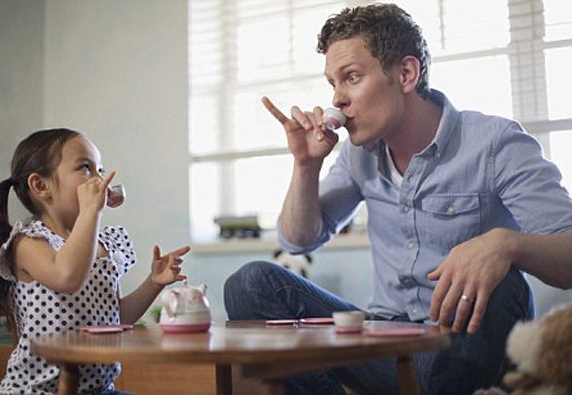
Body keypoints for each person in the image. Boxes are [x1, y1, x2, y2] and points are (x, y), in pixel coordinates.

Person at [224, 3, 572, 394]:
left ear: (406, 73)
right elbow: (299, 240)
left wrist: (506, 244)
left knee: (506, 280)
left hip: (456, 343)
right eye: (332, 84)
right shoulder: (359, 153)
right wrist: (305, 166)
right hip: (381, 341)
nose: (337, 99)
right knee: (250, 283)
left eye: (351, 78)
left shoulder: (496, 144)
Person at [0, 128, 190, 394]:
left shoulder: (104, 246)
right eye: (86, 168)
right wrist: (90, 212)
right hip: (35, 391)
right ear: (41, 186)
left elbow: (115, 317)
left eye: (100, 168)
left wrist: (153, 283)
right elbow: (67, 277)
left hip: (99, 389)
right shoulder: (29, 243)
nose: (100, 178)